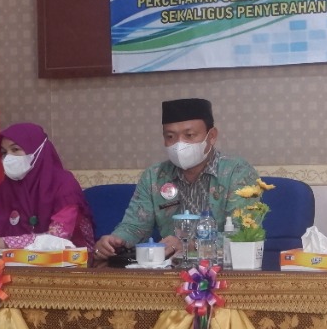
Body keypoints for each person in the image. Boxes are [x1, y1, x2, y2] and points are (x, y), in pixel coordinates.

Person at [94, 98, 258, 260]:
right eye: (170, 137)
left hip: (224, 268)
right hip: (170, 269)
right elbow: (135, 226)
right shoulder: (154, 176)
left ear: (212, 136)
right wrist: (116, 241)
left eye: (189, 135)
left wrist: (190, 245)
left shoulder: (237, 172)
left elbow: (244, 233)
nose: (179, 144)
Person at [0, 122, 95, 252]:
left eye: (15, 149)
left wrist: (1, 243)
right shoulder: (5, 189)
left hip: (70, 263)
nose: (8, 158)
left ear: (37, 150)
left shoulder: (64, 184)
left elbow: (57, 237)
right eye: (4, 152)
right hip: (17, 262)